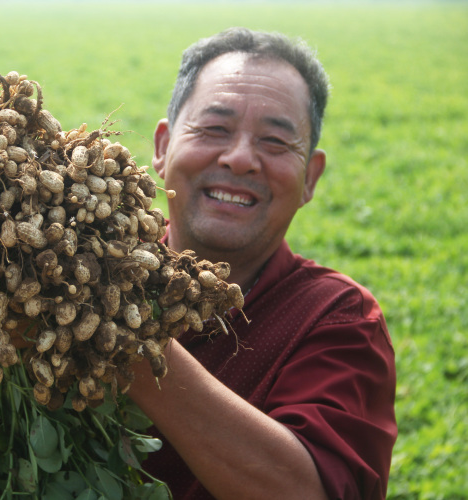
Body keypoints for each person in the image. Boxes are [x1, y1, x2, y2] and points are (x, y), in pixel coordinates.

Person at [125, 27, 397, 499]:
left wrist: (126, 346)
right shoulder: (78, 266)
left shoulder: (339, 320)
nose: (240, 159)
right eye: (214, 129)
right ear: (163, 147)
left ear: (310, 178)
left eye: (275, 141)